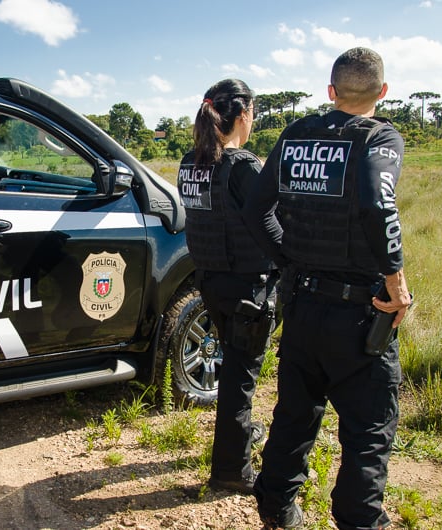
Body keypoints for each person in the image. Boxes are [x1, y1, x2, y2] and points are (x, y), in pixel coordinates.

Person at [243, 47, 412, 529]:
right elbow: (379, 209)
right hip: (359, 314)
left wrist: (290, 262)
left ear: (331, 91)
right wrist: (396, 283)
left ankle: (275, 506)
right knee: (368, 431)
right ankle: (360, 521)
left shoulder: (296, 135)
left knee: (295, 414)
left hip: (302, 307)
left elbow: (257, 210)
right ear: (382, 92)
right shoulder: (380, 137)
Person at [176, 78, 279, 495]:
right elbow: (268, 224)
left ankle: (233, 446)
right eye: (252, 113)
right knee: (240, 379)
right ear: (241, 115)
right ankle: (231, 471)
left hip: (212, 285)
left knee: (234, 371)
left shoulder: (190, 161)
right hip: (247, 291)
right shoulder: (242, 166)